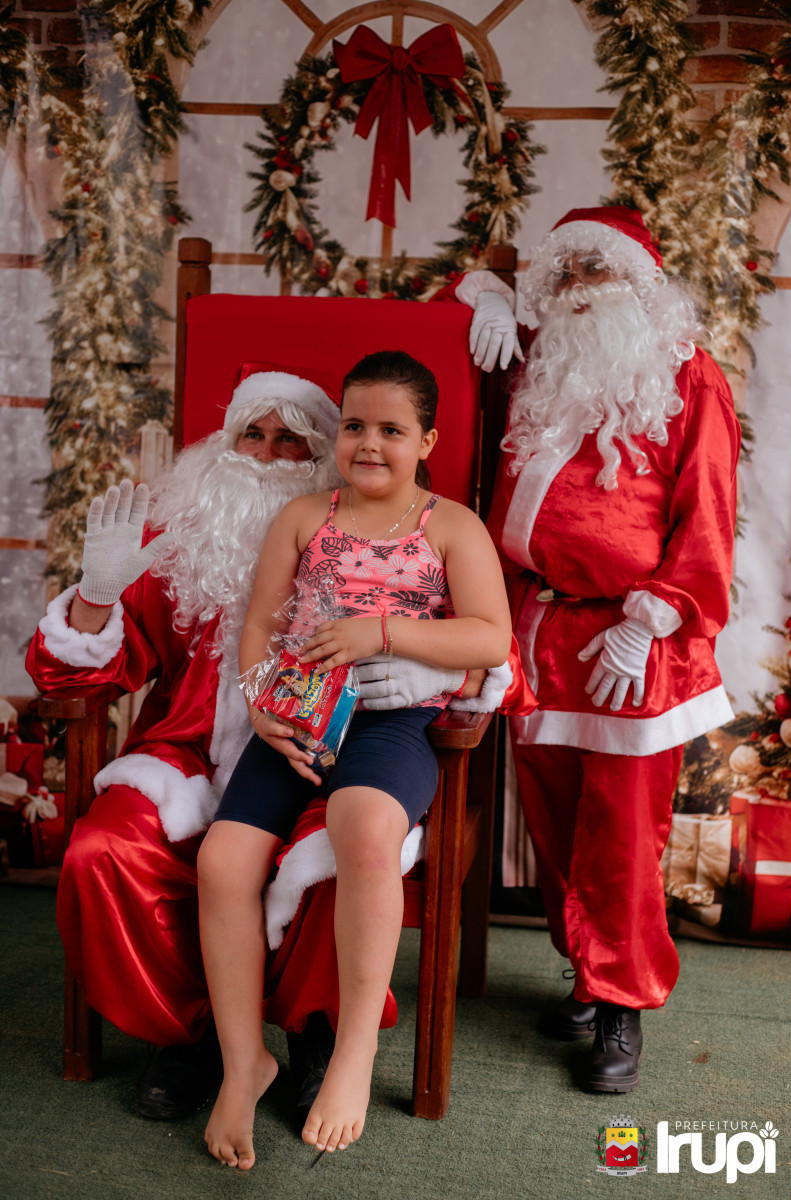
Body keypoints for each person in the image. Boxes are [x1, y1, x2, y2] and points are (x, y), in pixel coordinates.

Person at [26, 370, 466, 1119]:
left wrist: (429, 664)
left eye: (291, 438)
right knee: (105, 849)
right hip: (187, 757)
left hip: (325, 752)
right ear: (223, 444)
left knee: (341, 849)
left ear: (325, 452)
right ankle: (191, 1034)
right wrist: (96, 599)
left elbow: (484, 641)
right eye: (251, 435)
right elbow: (75, 678)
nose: (266, 454)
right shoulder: (181, 539)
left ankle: (317, 1033)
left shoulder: (378, 535)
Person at [197, 349, 514, 1169]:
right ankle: (244, 1062)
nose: (369, 443)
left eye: (392, 430)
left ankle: (354, 1050)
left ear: (427, 441)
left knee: (366, 827)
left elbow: (490, 636)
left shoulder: (451, 526)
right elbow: (260, 625)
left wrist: (384, 631)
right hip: (302, 713)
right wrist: (260, 704)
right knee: (224, 859)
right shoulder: (304, 517)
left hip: (391, 718)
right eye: (354, 426)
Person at [448, 206, 740, 1092]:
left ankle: (621, 1004)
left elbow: (710, 514)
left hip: (636, 642)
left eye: (597, 269)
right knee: (555, 827)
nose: (579, 288)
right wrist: (482, 293)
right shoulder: (535, 361)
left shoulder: (688, 374)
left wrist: (654, 618)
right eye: (564, 273)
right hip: (540, 633)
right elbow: (424, 340)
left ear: (640, 283)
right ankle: (587, 970)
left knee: (620, 841)